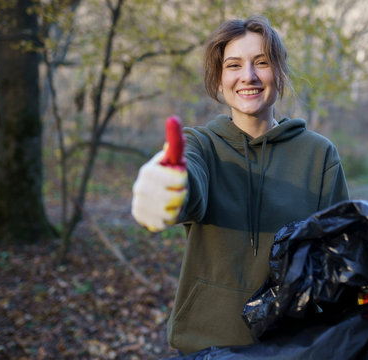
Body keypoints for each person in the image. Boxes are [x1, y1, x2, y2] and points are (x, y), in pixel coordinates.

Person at [131, 15, 349, 355]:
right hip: (205, 346)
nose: (248, 76)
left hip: (290, 348)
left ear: (279, 72)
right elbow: (189, 184)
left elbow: (338, 256)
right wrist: (165, 186)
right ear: (219, 79)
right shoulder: (200, 145)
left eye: (261, 62)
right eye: (233, 65)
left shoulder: (319, 155)